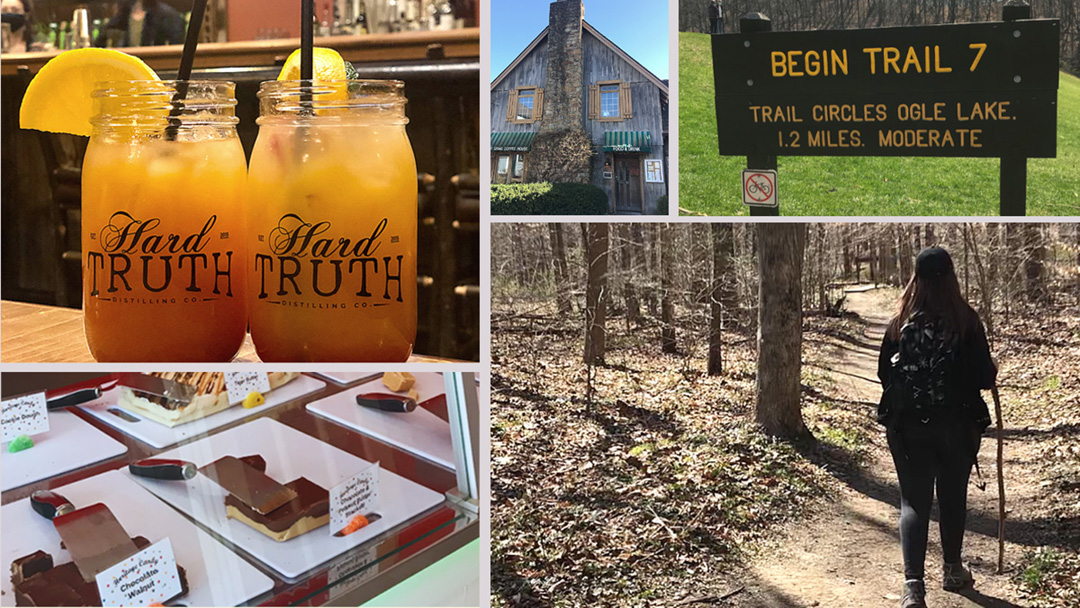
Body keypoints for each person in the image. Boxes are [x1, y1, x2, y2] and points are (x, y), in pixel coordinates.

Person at [877, 247, 997, 608]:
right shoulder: (966, 320)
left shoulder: (899, 320)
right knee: (952, 497)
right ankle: (952, 569)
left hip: (909, 427)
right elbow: (984, 377)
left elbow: (884, 374)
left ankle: (913, 588)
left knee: (913, 502)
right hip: (958, 426)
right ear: (951, 276)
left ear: (916, 277)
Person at [94, 0, 184, 48]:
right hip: (128, 65)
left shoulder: (167, 15)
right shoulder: (123, 14)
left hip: (156, 67)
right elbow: (100, 42)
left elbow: (177, 44)